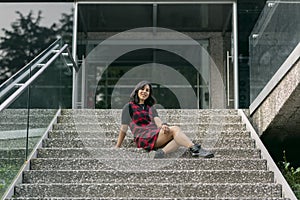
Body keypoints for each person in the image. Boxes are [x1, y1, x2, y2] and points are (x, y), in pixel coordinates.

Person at [115, 80, 214, 159]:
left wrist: (163, 127)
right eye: (142, 89)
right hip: (143, 138)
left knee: (179, 138)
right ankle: (195, 149)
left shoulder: (151, 107)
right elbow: (123, 129)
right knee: (175, 130)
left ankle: (160, 153)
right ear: (137, 90)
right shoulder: (129, 107)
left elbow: (158, 121)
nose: (144, 92)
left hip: (154, 134)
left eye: (147, 90)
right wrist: (118, 146)